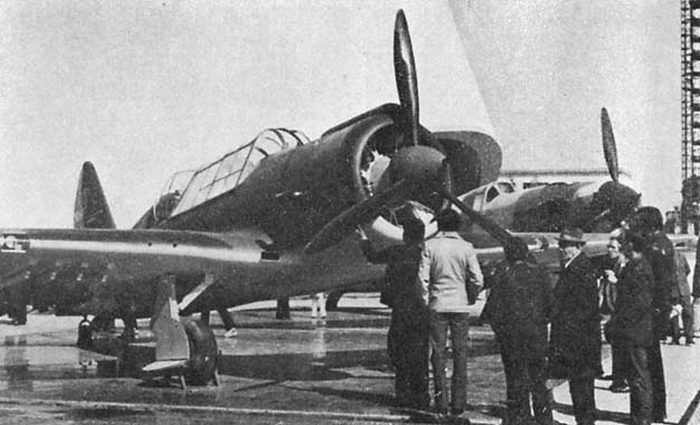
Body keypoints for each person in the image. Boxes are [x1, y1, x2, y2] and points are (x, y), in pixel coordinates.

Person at [358, 218, 429, 410]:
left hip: (400, 308)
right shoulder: (425, 254)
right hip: (421, 309)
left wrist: (364, 238)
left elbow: (373, 256)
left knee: (399, 352)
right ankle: (421, 395)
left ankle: (403, 394)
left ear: (405, 234)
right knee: (420, 353)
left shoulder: (396, 251)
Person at [418, 209, 483, 416]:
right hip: (460, 305)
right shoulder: (466, 247)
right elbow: (478, 279)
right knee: (460, 353)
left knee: (438, 354)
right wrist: (470, 297)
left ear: (438, 224)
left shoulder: (430, 246)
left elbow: (422, 279)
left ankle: (441, 401)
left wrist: (427, 301)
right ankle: (459, 402)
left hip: (438, 304)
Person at [481, 237, 553, 425]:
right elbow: (550, 306)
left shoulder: (503, 276)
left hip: (511, 338)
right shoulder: (541, 274)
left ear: (507, 255)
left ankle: (520, 417)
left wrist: (501, 332)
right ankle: (544, 418)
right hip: (536, 335)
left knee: (515, 379)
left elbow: (492, 311)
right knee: (539, 379)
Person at [549, 227, 600, 425]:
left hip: (578, 341)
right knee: (580, 389)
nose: (562, 249)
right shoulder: (577, 266)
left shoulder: (579, 269)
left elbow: (584, 308)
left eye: (566, 245)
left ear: (578, 247)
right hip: (580, 340)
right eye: (561, 244)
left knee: (581, 391)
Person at [628, 206, 673, 422]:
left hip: (649, 315)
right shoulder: (664, 243)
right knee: (654, 363)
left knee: (643, 368)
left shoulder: (652, 248)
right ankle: (658, 410)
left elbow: (654, 285)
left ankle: (646, 413)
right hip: (658, 312)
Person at [605, 233, 655, 425]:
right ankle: (638, 417)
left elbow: (639, 303)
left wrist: (619, 322)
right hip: (635, 331)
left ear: (632, 247)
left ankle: (641, 419)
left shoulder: (639, 269)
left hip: (634, 332)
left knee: (638, 378)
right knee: (636, 377)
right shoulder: (637, 266)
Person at [600, 235, 630, 393]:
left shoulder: (622, 263)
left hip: (618, 308)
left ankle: (621, 379)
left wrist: (615, 280)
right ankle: (618, 375)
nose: (609, 249)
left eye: (613, 247)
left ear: (620, 249)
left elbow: (627, 287)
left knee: (619, 344)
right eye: (609, 246)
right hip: (610, 306)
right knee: (614, 342)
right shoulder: (610, 261)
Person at [669, 250, 694, 345]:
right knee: (674, 314)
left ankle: (689, 337)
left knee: (688, 313)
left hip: (683, 289)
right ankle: (675, 337)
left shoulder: (681, 256)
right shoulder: (666, 258)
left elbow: (687, 270)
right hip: (673, 290)